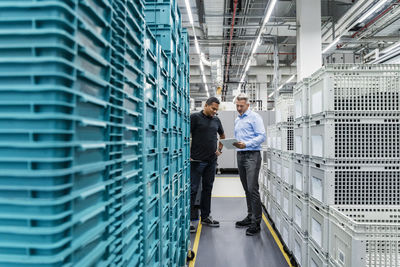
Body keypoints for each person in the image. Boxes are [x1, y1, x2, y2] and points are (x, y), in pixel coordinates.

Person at [190, 97, 225, 233]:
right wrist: (188, 154)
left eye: (217, 109)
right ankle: (190, 219)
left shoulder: (216, 120)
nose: (215, 112)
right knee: (193, 190)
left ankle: (205, 217)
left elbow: (222, 136)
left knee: (208, 188)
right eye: (213, 108)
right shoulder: (195, 118)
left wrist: (219, 150)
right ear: (206, 105)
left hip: (211, 161)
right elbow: (186, 136)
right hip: (197, 161)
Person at [233, 93, 266, 236]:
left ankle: (256, 223)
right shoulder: (237, 120)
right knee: (246, 188)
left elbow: (262, 136)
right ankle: (250, 215)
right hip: (240, 154)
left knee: (252, 188)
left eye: (241, 106)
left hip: (252, 155)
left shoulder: (255, 117)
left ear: (248, 105)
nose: (239, 108)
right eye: (237, 105)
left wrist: (246, 144)